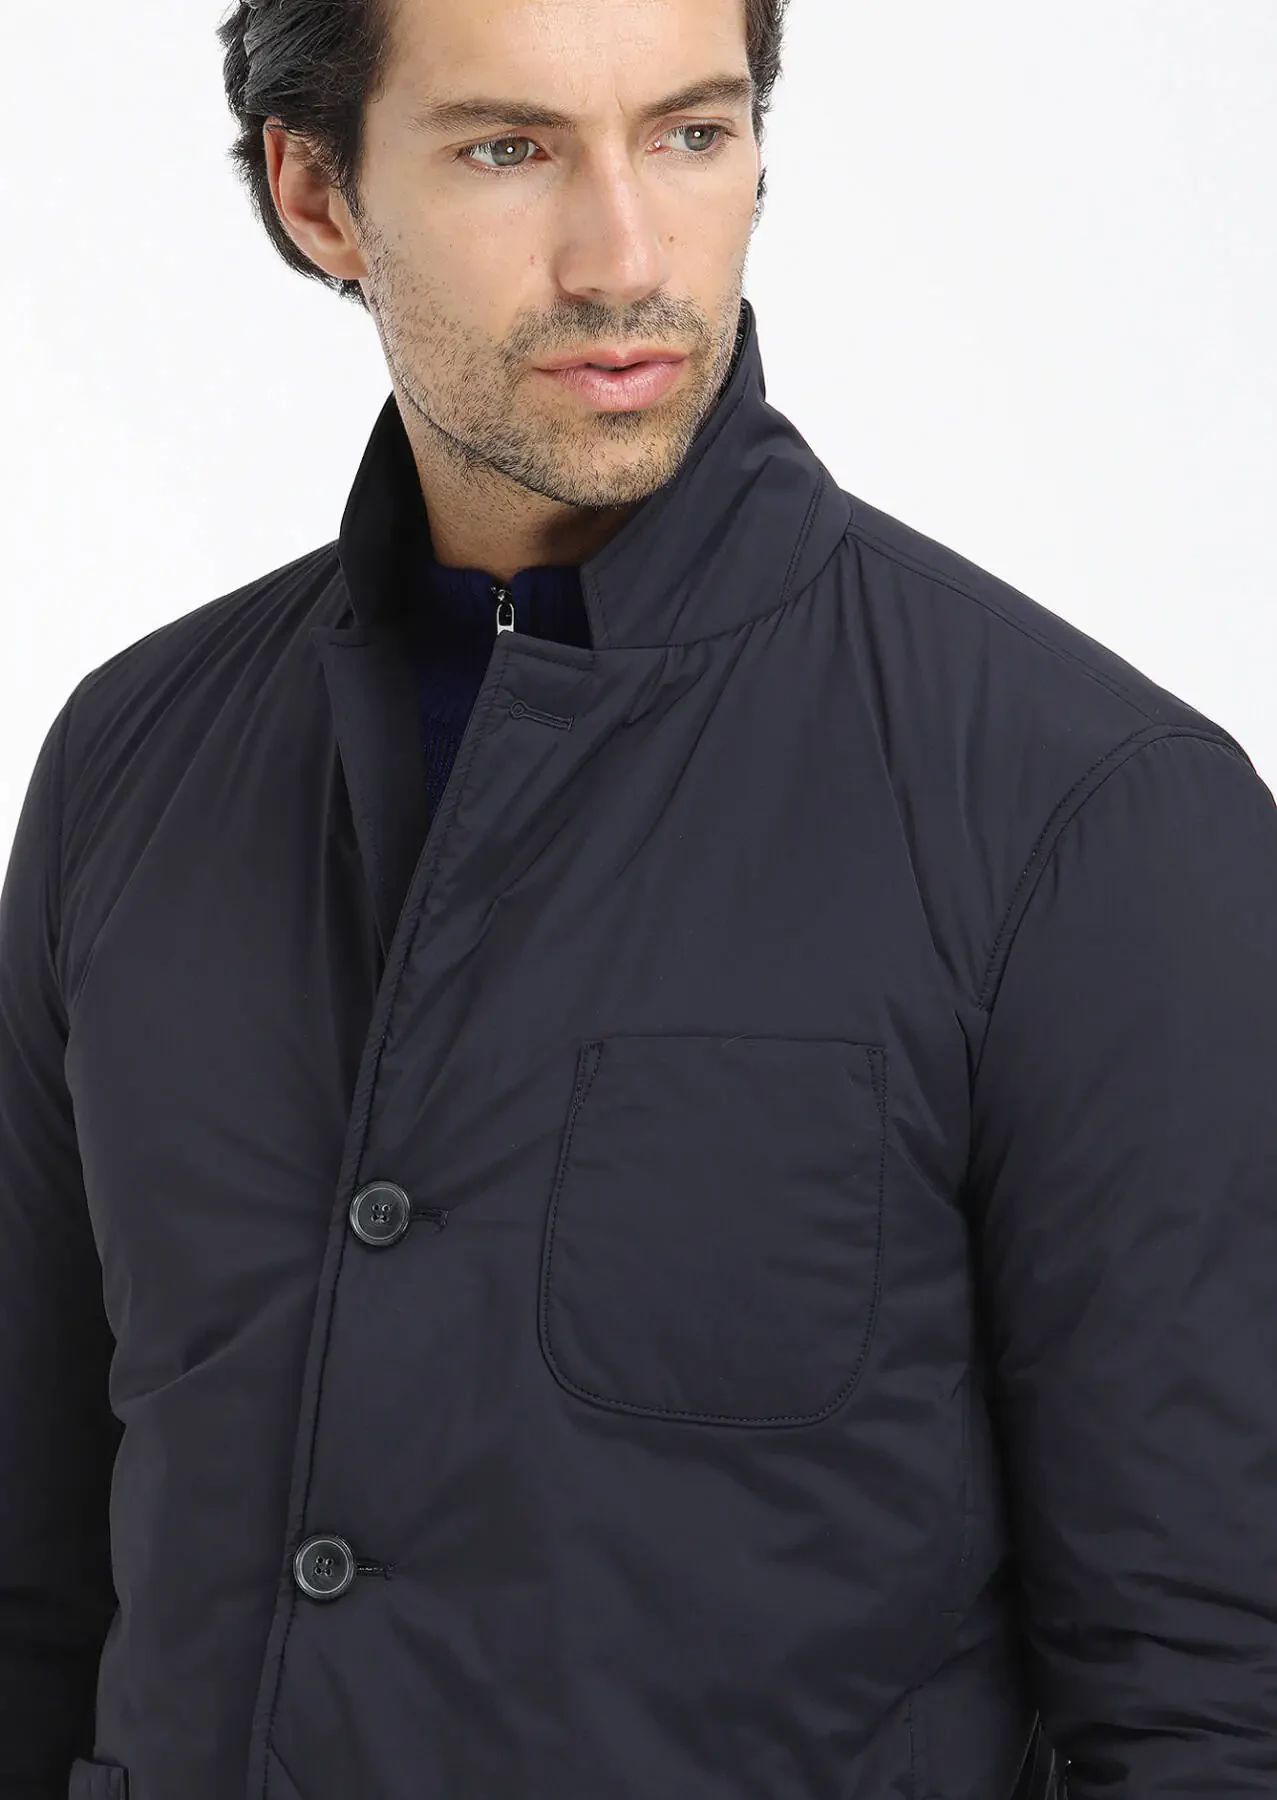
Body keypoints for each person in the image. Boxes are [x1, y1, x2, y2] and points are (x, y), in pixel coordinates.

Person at [2, 0, 1275, 1794]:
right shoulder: (131, 768)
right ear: (317, 195)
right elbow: (35, 1591)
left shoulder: (1089, 813)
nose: (626, 260)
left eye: (691, 133)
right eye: (509, 148)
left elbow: (1212, 1700)